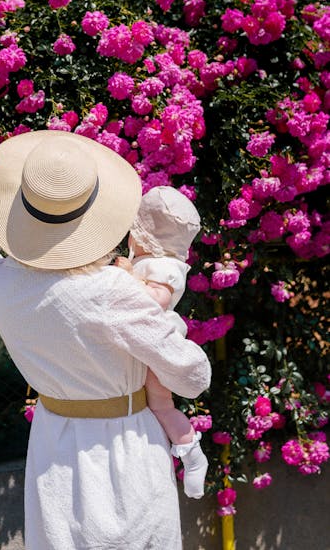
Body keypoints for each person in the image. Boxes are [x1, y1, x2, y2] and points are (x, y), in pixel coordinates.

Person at [0, 130, 211, 550]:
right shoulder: (114, 289)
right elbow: (192, 376)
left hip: (52, 443)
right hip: (125, 446)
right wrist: (173, 327)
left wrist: (17, 217)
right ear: (94, 215)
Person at [115, 186, 209, 499]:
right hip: (138, 345)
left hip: (156, 346)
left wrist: (126, 278)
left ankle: (190, 452)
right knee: (149, 406)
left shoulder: (165, 267)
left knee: (161, 405)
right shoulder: (145, 261)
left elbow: (155, 301)